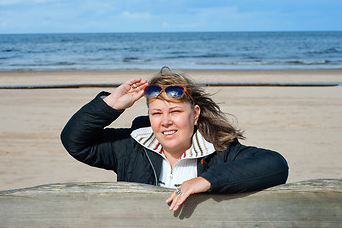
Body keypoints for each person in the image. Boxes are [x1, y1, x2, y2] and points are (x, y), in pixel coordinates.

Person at [61, 67, 288, 211]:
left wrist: (206, 180)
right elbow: (75, 141)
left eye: (176, 112)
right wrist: (111, 103)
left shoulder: (220, 150)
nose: (165, 121)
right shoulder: (131, 147)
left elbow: (276, 165)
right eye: (157, 113)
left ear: (196, 113)